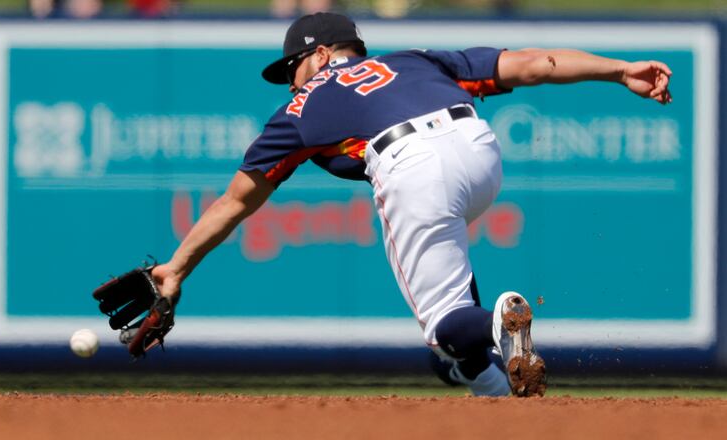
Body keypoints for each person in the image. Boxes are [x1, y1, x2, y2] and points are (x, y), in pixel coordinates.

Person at [149, 12, 672, 397]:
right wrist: (619, 70)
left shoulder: (300, 107)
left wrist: (176, 268)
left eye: (294, 65)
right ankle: (490, 385)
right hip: (480, 150)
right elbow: (537, 63)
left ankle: (498, 326)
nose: (291, 80)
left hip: (411, 163)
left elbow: (236, 201)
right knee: (452, 315)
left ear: (325, 54)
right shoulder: (416, 60)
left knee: (445, 320)